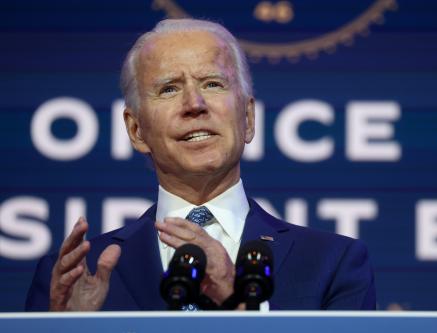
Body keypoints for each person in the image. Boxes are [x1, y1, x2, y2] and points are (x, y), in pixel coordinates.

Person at [25, 18, 375, 311]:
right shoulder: (74, 277)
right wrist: (67, 329)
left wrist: (237, 303)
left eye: (212, 83)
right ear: (136, 130)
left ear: (248, 118)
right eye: (169, 89)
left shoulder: (334, 263)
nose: (194, 104)